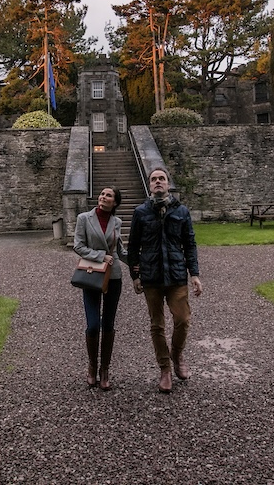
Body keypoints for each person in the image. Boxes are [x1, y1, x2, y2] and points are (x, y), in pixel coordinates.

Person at [127, 167, 202, 393]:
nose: (158, 182)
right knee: (156, 325)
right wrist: (135, 275)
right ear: (150, 185)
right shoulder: (141, 212)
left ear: (168, 184)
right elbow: (132, 247)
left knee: (183, 320)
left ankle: (177, 354)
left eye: (162, 179)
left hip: (177, 274)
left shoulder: (182, 211)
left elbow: (189, 244)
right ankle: (165, 369)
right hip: (151, 276)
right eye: (154, 179)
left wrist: (195, 275)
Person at [73, 186, 127, 391]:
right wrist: (100, 256)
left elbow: (119, 250)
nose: (103, 197)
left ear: (115, 202)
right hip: (92, 274)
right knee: (93, 324)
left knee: (109, 325)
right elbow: (78, 246)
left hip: (113, 277)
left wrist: (139, 266)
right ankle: (92, 366)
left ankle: (105, 370)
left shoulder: (117, 222)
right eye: (102, 194)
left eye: (109, 195)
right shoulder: (84, 218)